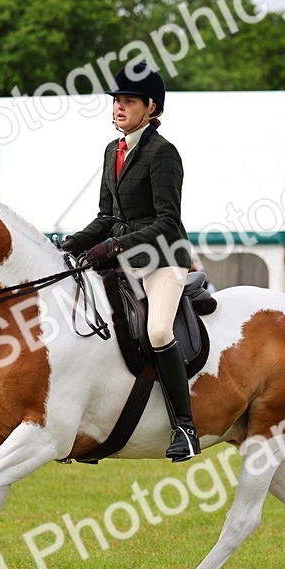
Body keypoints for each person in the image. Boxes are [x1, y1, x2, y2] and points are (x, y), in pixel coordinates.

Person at [59, 64, 200, 462]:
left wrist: (115, 246)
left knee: (156, 331)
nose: (119, 108)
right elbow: (106, 216)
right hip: (122, 260)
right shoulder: (112, 150)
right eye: (117, 100)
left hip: (163, 259)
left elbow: (167, 221)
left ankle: (186, 428)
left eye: (128, 101)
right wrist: (75, 243)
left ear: (150, 107)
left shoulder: (163, 153)